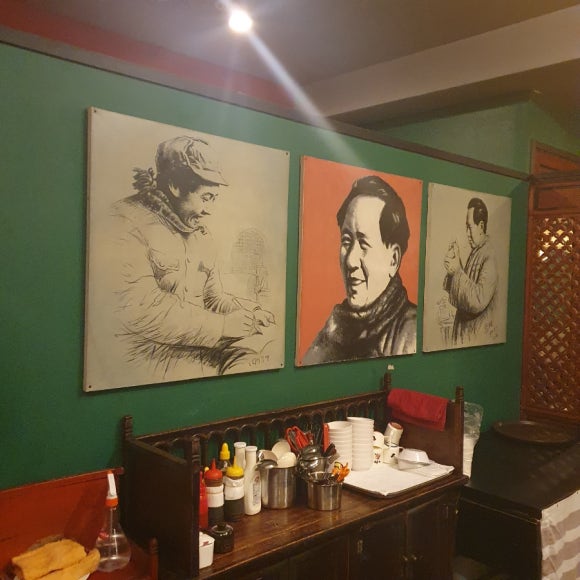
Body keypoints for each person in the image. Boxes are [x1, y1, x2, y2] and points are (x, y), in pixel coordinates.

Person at [109, 135, 275, 379]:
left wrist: (251, 313)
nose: (209, 210)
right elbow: (139, 307)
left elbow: (213, 298)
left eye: (214, 199)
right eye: (205, 198)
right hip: (141, 370)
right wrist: (222, 326)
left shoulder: (200, 235)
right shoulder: (124, 222)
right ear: (175, 186)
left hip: (195, 362)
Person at [303, 175, 417, 365]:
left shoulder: (410, 333)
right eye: (346, 241)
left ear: (393, 259)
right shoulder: (333, 331)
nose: (350, 261)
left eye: (364, 243)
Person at [443, 197, 498, 345]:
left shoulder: (489, 255)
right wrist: (454, 266)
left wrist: (457, 270)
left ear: (481, 226)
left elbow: (478, 300)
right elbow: (466, 286)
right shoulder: (477, 251)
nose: (467, 233)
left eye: (470, 227)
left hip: (476, 336)